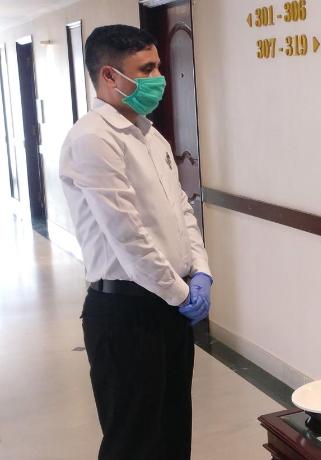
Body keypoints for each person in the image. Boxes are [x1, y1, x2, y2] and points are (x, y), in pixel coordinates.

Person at [59, 24, 212, 460]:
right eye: (146, 69)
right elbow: (127, 235)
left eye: (158, 66)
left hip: (169, 307)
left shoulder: (149, 133)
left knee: (172, 432)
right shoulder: (93, 138)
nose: (158, 78)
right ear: (109, 75)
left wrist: (201, 271)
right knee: (133, 442)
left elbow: (181, 209)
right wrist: (181, 293)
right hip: (125, 314)